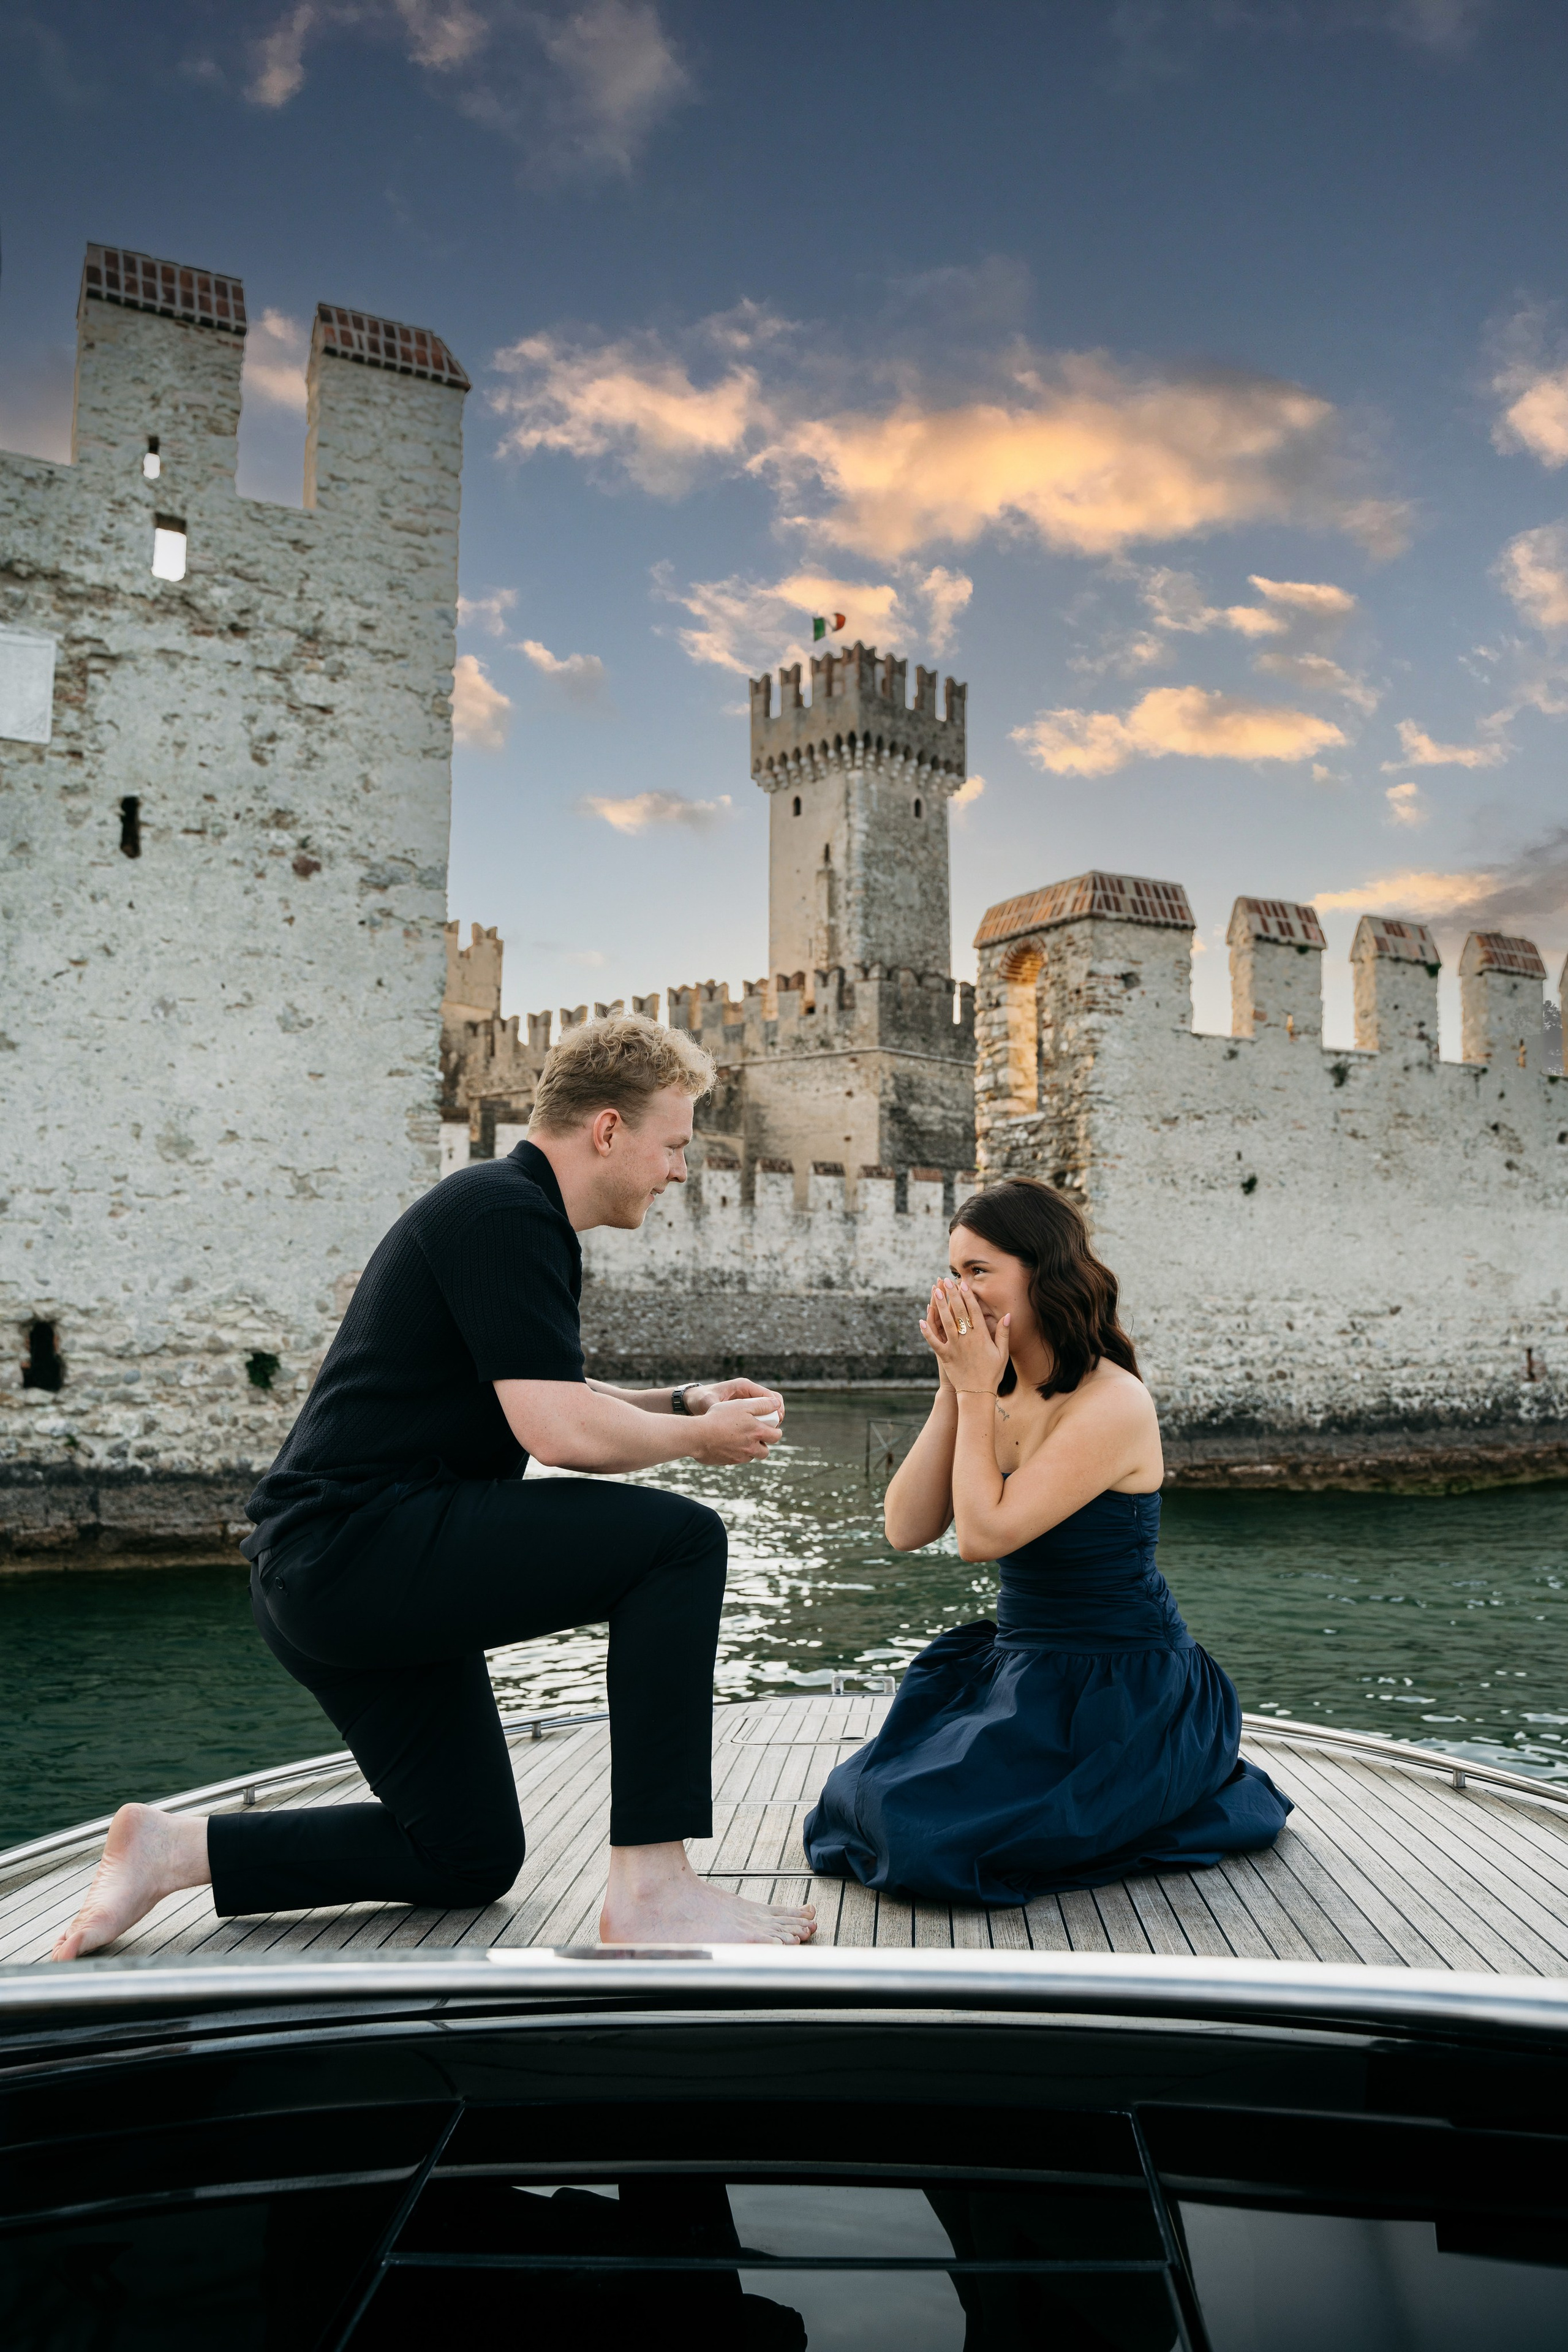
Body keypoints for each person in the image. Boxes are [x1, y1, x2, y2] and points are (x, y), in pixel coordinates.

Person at [54, 1016, 815, 1959]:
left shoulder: (502, 1208)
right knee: (680, 1543)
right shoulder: (506, 1213)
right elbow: (560, 1432)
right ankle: (653, 1886)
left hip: (336, 1572)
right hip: (357, 1550)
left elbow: (542, 1389)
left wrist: (682, 1398)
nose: (679, 1172)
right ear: (610, 1131)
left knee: (465, 1854)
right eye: (674, 1146)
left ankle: (176, 1849)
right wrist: (699, 1440)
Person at [804, 1177, 1289, 1905]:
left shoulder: (1111, 1401)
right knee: (856, 1799)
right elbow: (906, 1529)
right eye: (953, 1271)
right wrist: (954, 1385)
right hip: (1023, 1665)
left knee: (925, 1837)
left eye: (978, 1272)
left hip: (1124, 1686)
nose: (957, 1291)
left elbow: (983, 1536)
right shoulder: (994, 1389)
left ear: (1042, 1273)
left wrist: (973, 1391)